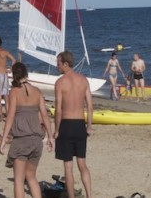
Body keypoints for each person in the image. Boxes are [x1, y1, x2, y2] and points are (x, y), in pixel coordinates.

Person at [0, 62, 54, 198]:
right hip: (36, 141)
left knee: (19, 180)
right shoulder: (37, 91)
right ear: (26, 74)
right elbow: (45, 116)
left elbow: (10, 116)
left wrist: (3, 140)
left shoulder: (14, 92)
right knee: (31, 177)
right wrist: (51, 137)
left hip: (22, 140)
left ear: (14, 76)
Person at [54, 51, 93, 198]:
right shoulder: (83, 80)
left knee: (68, 167)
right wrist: (89, 126)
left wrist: (56, 130)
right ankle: (89, 196)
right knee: (82, 164)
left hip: (66, 124)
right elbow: (89, 106)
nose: (57, 66)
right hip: (80, 125)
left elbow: (58, 110)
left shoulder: (60, 82)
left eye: (58, 63)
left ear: (65, 64)